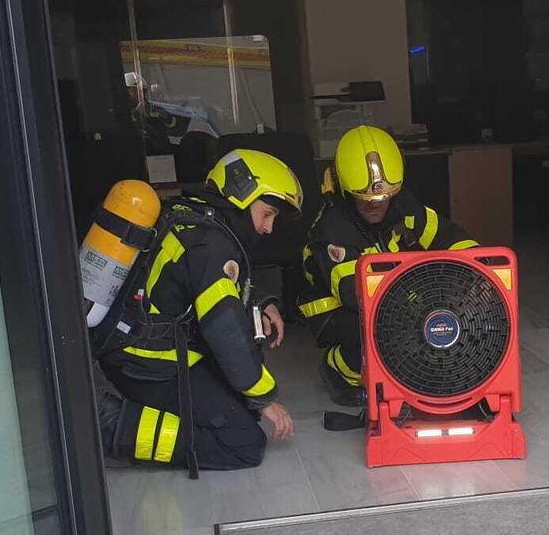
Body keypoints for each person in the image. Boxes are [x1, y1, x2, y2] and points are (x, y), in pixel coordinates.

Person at [95, 150, 300, 473]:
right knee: (243, 443)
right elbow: (226, 334)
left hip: (134, 348)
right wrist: (265, 398)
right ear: (242, 196)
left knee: (240, 410)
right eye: (267, 213)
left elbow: (205, 282)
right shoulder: (212, 247)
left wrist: (262, 302)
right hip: (147, 364)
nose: (268, 228)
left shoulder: (194, 220)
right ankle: (111, 426)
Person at [298, 125, 478, 406]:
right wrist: (423, 302)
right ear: (346, 190)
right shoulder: (332, 228)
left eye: (384, 197)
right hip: (337, 312)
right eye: (366, 199)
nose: (376, 205)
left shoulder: (402, 204)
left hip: (395, 294)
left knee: (434, 324)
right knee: (382, 332)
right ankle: (337, 366)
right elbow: (353, 293)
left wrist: (476, 270)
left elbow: (446, 235)